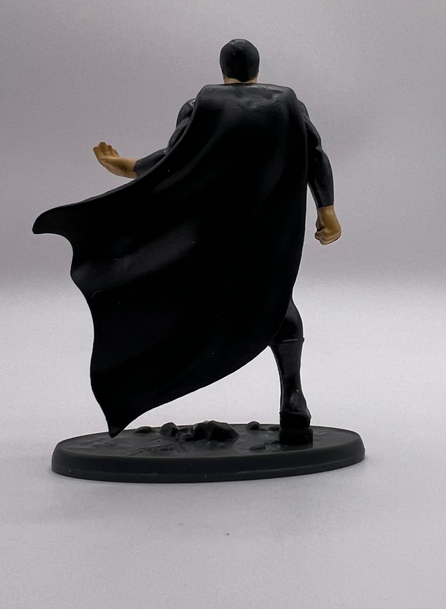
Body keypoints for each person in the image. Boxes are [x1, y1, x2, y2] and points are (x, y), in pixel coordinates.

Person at [87, 39, 341, 438]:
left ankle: (153, 373)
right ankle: (293, 396)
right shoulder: (289, 105)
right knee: (277, 301)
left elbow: (174, 161)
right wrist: (327, 209)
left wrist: (130, 168)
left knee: (203, 298)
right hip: (267, 227)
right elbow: (315, 155)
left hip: (213, 228)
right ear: (257, 69)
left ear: (222, 70)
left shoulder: (200, 106)